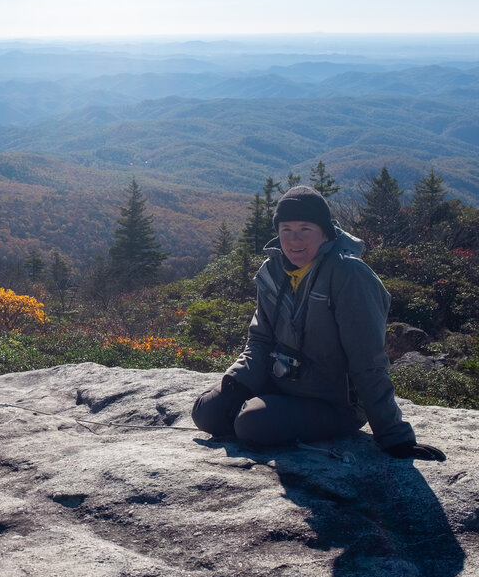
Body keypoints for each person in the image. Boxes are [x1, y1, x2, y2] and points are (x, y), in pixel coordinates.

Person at [191, 185, 445, 461]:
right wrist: (237, 382)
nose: (294, 239)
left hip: (334, 402)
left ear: (325, 232)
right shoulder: (273, 270)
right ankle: (267, 410)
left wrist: (394, 435)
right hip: (282, 385)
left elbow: (367, 361)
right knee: (207, 412)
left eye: (305, 229)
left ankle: (277, 415)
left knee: (251, 423)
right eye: (286, 229)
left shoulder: (348, 275)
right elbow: (260, 339)